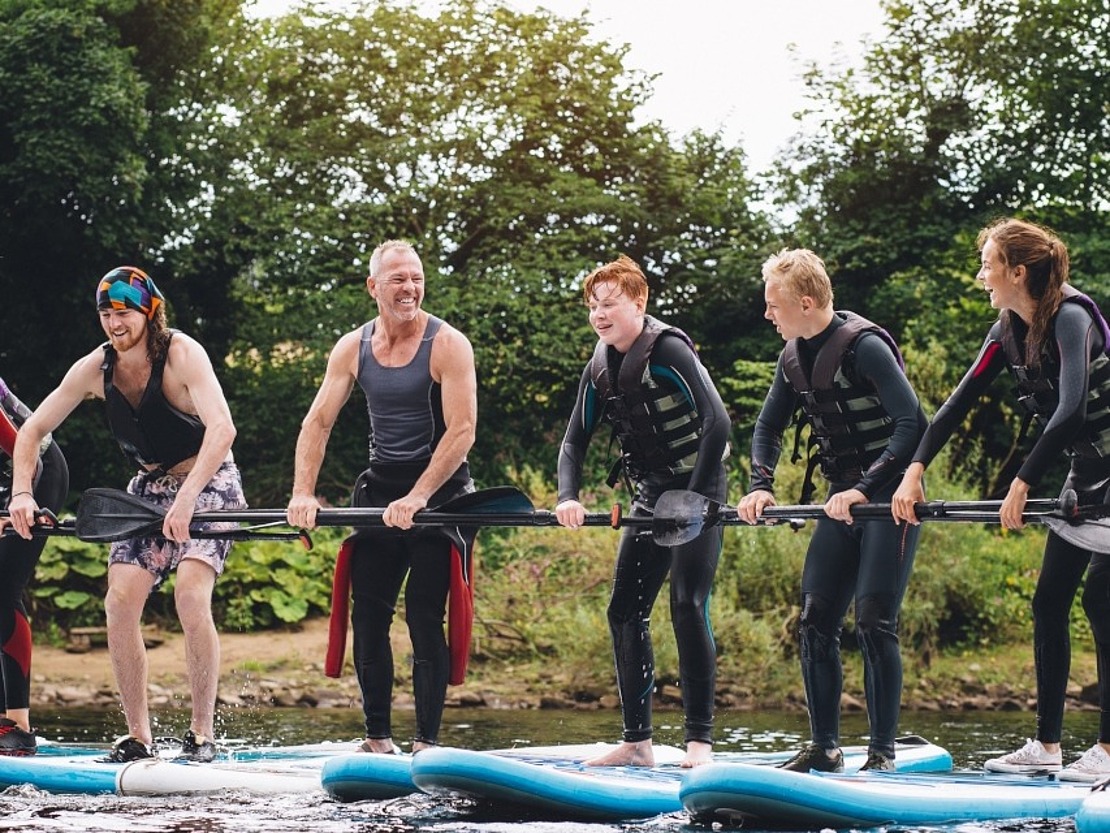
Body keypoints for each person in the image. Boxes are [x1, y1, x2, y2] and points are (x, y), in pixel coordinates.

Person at [893, 218, 1110, 781]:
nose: (980, 274)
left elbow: (1072, 410)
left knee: (1103, 604)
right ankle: (1047, 746)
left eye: (987, 263)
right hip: (1088, 476)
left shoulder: (1071, 318)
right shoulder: (1005, 330)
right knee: (1048, 604)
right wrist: (914, 470)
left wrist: (1023, 480)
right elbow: (953, 408)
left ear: (1017, 271)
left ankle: (1109, 752)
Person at [3, 266, 242, 763]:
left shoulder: (181, 353)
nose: (115, 324)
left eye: (125, 313)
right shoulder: (96, 367)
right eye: (106, 314)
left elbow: (222, 431)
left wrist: (187, 498)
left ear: (149, 311)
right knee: (119, 602)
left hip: (210, 478)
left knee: (190, 596)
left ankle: (201, 736)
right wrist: (21, 494)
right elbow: (31, 431)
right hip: (147, 490)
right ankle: (140, 737)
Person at [738, 248, 926, 773]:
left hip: (890, 500)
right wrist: (760, 485)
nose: (768, 314)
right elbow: (767, 427)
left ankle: (882, 756)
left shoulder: (864, 347)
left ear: (804, 301)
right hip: (840, 501)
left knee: (873, 622)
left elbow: (914, 424)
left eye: (774, 304)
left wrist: (866, 488)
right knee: (815, 620)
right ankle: (825, 748)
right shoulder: (791, 357)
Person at [286, 239, 477, 754]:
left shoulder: (448, 344)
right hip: (380, 491)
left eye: (415, 278)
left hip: (442, 496)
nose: (409, 288)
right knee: (368, 614)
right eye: (397, 279)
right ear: (374, 287)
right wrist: (303, 493)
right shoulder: (353, 347)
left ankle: (427, 744)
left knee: (421, 616)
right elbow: (318, 421)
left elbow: (462, 431)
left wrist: (418, 497)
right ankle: (377, 739)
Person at [555, 255, 731, 769]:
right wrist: (568, 496)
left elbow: (717, 424)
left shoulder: (668, 349)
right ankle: (637, 744)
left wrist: (694, 500)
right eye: (593, 306)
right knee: (624, 610)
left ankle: (699, 745)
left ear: (639, 302)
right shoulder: (599, 365)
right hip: (651, 496)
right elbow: (573, 442)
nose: (599, 315)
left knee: (686, 605)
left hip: (699, 489)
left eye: (609, 304)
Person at [0, 378, 68, 756]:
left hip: (39, 477)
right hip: (7, 478)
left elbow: (30, 460)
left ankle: (19, 726)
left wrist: (13, 506)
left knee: (4, 589)